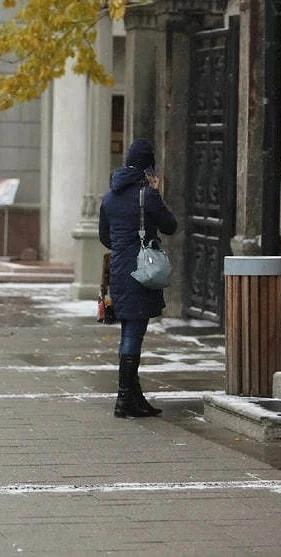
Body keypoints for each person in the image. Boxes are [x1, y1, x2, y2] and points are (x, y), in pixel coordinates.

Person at [98, 139, 177, 419]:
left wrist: (124, 243)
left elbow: (104, 237)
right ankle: (123, 400)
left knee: (129, 332)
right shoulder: (147, 194)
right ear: (147, 166)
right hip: (141, 271)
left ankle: (134, 397)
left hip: (119, 270)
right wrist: (156, 193)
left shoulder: (109, 196)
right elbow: (171, 225)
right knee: (133, 333)